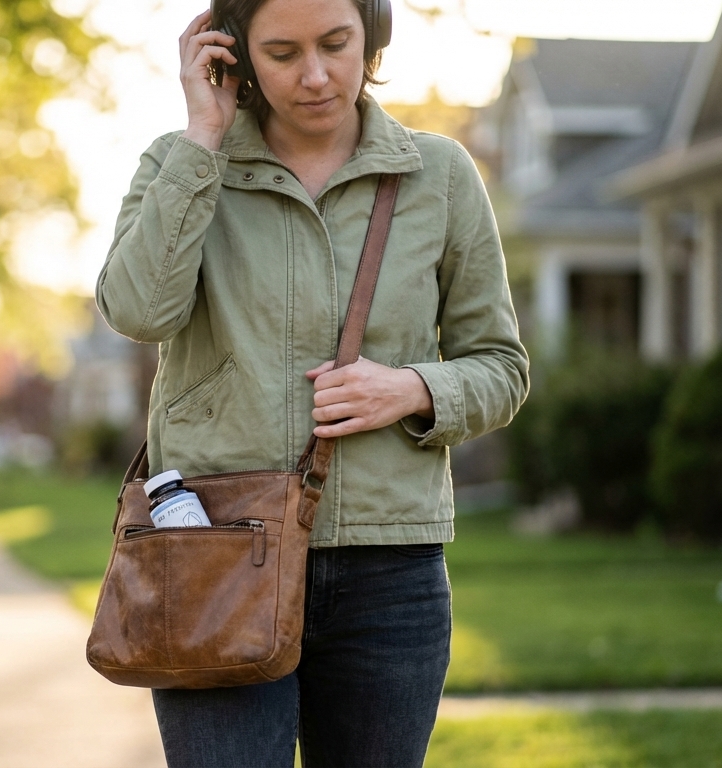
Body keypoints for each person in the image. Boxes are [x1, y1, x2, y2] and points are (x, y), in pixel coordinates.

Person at [95, 0, 528, 764]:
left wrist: (412, 389)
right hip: (217, 554)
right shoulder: (181, 164)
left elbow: (501, 366)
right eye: (284, 52)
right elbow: (137, 310)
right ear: (237, 55)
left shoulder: (443, 176)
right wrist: (203, 137)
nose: (317, 74)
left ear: (374, 35)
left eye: (336, 43)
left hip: (388, 572)